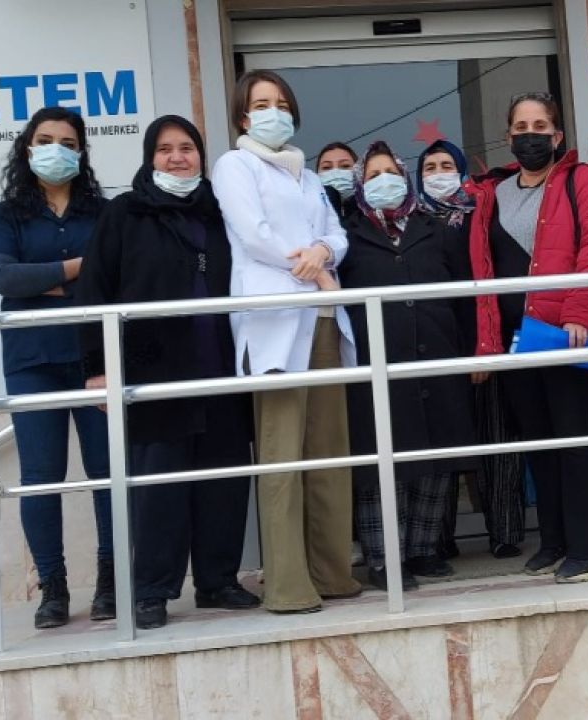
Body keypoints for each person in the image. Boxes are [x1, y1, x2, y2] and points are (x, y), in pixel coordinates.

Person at [78, 115, 260, 629]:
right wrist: (97, 368)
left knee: (223, 482)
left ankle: (218, 581)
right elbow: (94, 290)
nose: (177, 158)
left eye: (187, 148)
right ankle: (152, 592)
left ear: (201, 156)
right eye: (165, 149)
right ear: (149, 157)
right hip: (155, 373)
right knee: (159, 490)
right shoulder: (125, 213)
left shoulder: (220, 211)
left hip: (221, 368)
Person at [211, 70, 361, 613]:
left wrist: (324, 253)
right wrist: (313, 265)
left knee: (329, 454)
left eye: (281, 103)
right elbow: (254, 235)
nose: (273, 112)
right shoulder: (235, 165)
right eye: (261, 104)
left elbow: (336, 234)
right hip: (275, 321)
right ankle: (289, 586)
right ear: (243, 116)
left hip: (322, 318)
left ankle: (332, 573)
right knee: (282, 457)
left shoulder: (308, 174)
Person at [469, 92, 588, 583]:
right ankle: (554, 541)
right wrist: (488, 341)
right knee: (539, 442)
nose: (529, 135)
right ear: (508, 136)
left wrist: (579, 312)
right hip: (517, 337)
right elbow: (485, 268)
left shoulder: (582, 181)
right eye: (521, 127)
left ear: (557, 136)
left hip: (563, 333)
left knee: (575, 439)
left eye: (540, 127)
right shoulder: (494, 193)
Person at [0, 107, 115, 629]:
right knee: (41, 478)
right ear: (27, 147)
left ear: (81, 152)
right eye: (44, 140)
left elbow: (116, 276)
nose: (55, 149)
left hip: (95, 357)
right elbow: (3, 278)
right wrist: (78, 269)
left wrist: (43, 282)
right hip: (32, 360)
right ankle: (53, 589)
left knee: (108, 472)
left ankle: (111, 583)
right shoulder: (6, 215)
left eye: (67, 142)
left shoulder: (103, 212)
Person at [339, 140, 477, 589]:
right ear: (361, 185)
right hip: (376, 362)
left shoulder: (434, 229)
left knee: (433, 457)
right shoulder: (347, 235)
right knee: (382, 463)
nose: (385, 182)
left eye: (392, 173)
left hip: (436, 353)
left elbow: (463, 293)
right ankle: (384, 559)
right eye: (373, 175)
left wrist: (473, 350)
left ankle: (422, 550)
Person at [414, 139, 526, 561]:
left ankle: (505, 531)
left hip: (484, 335)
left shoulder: (481, 213)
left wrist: (485, 344)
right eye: (429, 168)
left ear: (461, 171)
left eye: (447, 165)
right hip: (437, 344)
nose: (438, 173)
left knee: (496, 437)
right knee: (442, 443)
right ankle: (439, 538)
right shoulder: (413, 221)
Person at [316, 141, 360, 226]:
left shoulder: (373, 216)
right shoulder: (307, 217)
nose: (335, 172)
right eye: (327, 167)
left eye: (345, 166)